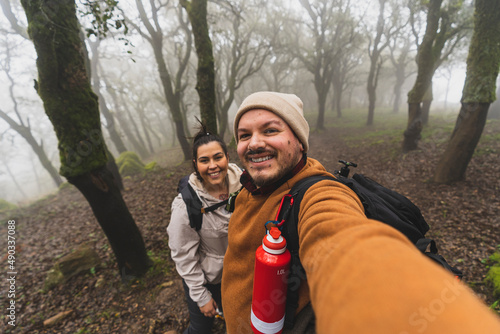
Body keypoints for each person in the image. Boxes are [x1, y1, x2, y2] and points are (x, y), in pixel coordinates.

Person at [221, 91, 500, 333]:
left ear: (299, 141)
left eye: (270, 130)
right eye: (244, 135)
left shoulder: (319, 195)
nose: (254, 143)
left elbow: (341, 240)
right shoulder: (250, 187)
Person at [167, 124, 242, 334]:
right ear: (195, 164)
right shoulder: (186, 205)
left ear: (227, 156)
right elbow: (183, 255)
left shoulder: (248, 185)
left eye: (218, 157)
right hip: (209, 279)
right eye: (204, 160)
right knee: (201, 330)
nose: (213, 166)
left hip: (243, 274)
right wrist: (201, 296)